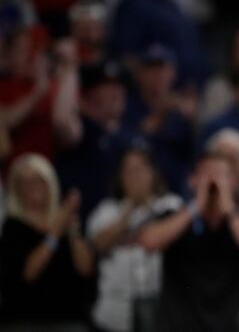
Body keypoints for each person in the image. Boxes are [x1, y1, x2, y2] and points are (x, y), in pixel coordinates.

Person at [137, 152, 239, 332]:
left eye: (221, 176)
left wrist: (230, 210)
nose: (214, 182)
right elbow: (148, 242)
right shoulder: (175, 215)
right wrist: (196, 206)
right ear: (192, 180)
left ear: (233, 183)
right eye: (207, 175)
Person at [87, 147, 182, 332]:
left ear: (154, 173)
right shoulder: (107, 211)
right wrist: (129, 208)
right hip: (114, 314)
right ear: (120, 177)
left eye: (140, 169)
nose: (135, 176)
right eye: (129, 171)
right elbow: (99, 245)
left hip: (162, 309)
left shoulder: (171, 206)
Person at [0, 153, 94, 331]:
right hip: (25, 320)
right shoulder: (12, 228)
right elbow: (28, 274)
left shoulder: (64, 218)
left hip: (69, 318)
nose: (32, 187)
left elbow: (86, 269)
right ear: (16, 189)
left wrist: (72, 230)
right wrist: (54, 234)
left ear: (49, 182)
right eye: (25, 183)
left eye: (37, 180)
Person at [110, 0, 211, 88]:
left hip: (191, 97)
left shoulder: (173, 5)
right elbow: (126, 58)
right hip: (158, 100)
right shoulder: (133, 6)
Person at [56, 61, 138, 225]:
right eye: (107, 87)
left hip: (121, 226)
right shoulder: (82, 129)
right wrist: (70, 69)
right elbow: (62, 121)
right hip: (81, 222)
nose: (117, 92)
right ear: (88, 96)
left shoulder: (130, 134)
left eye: (119, 86)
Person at [0, 26, 80, 171]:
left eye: (35, 50)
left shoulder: (55, 87)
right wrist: (37, 93)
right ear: (8, 55)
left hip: (48, 173)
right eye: (23, 50)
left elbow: (66, 129)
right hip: (13, 174)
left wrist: (68, 68)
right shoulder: (4, 87)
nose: (31, 57)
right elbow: (5, 121)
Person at [123, 43, 195, 195]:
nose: (158, 75)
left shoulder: (181, 112)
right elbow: (130, 145)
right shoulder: (127, 107)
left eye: (163, 69)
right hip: (138, 191)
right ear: (140, 74)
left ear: (173, 73)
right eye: (151, 69)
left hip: (176, 191)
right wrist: (160, 114)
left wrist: (194, 119)